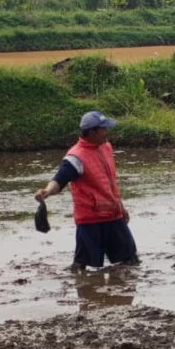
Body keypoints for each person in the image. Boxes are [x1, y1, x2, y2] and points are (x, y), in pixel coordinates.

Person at [34, 111, 138, 272]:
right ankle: (82, 291)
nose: (106, 133)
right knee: (83, 264)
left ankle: (116, 292)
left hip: (112, 213)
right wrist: (47, 191)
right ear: (91, 132)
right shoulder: (76, 158)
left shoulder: (106, 147)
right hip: (91, 218)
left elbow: (110, 184)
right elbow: (59, 180)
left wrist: (121, 206)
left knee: (130, 257)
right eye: (103, 129)